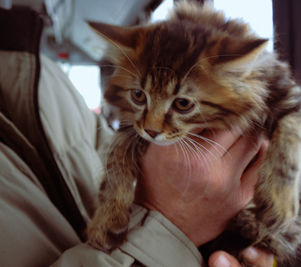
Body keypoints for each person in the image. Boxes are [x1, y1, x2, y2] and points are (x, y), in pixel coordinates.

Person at [0, 5, 273, 267]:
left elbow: (107, 150)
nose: (151, 127)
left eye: (181, 104)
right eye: (139, 96)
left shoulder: (36, 70)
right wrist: (167, 224)